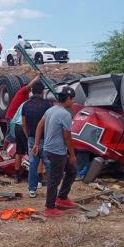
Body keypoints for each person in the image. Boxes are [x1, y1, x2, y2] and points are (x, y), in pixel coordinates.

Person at [33, 86, 77, 217]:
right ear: (68, 99)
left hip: (51, 149)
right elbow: (67, 137)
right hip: (56, 152)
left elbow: (40, 126)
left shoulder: (51, 110)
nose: (73, 102)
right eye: (72, 99)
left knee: (72, 171)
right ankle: (50, 207)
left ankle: (62, 197)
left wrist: (36, 143)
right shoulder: (65, 114)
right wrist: (73, 155)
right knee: (55, 179)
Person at [5, 74, 40, 182]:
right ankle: (36, 177)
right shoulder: (24, 95)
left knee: (19, 151)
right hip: (20, 125)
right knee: (33, 151)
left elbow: (17, 119)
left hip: (17, 125)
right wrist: (38, 76)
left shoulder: (24, 103)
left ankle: (17, 176)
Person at [22, 81, 52, 197]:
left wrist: (28, 136)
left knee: (33, 164)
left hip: (31, 139)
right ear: (43, 91)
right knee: (49, 164)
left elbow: (24, 124)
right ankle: (51, 189)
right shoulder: (47, 105)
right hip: (45, 138)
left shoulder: (26, 105)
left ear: (32, 91)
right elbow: (50, 123)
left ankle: (32, 190)